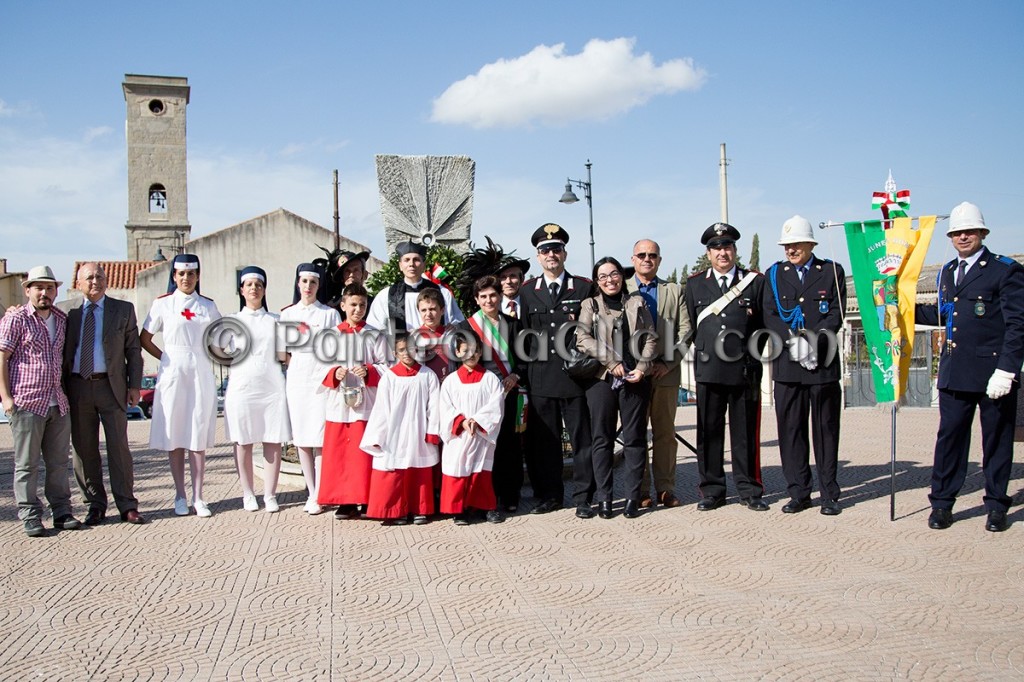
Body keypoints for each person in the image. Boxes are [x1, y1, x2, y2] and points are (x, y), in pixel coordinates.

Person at [915, 202, 1024, 532]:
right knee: (949, 441)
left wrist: (1007, 370)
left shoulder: (1004, 270)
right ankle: (943, 504)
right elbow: (945, 315)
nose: (963, 237)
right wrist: (900, 310)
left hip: (993, 374)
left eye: (969, 231)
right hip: (955, 371)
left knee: (996, 441)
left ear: (982, 233)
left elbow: (1017, 324)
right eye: (957, 233)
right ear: (950, 238)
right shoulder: (948, 271)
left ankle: (995, 505)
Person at [762, 216, 847, 515]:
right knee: (791, 430)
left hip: (821, 364)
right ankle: (799, 492)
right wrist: (790, 341)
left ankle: (829, 493)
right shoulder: (773, 274)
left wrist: (812, 342)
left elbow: (835, 315)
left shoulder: (831, 271)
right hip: (787, 366)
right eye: (786, 245)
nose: (790, 250)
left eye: (796, 244)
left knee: (825, 430)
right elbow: (770, 314)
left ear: (811, 244)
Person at [685, 224, 768, 512]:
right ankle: (712, 490)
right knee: (709, 432)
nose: (723, 252)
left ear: (735, 250)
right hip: (709, 370)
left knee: (745, 432)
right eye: (717, 247)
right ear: (708, 253)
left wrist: (751, 356)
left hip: (744, 370)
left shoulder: (754, 282)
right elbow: (693, 327)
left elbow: (763, 327)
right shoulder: (695, 284)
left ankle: (749, 489)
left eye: (728, 246)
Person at [0, 266, 83, 537]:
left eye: (49, 288)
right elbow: (2, 358)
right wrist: (6, 397)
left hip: (57, 402)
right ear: (28, 290)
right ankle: (30, 515)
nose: (44, 293)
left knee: (59, 463)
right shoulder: (16, 319)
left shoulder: (60, 319)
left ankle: (61, 511)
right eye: (38, 287)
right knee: (27, 464)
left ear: (56, 291)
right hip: (27, 401)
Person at [520, 223, 595, 517]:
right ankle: (548, 495)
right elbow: (524, 336)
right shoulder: (528, 292)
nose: (551, 254)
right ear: (538, 256)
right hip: (541, 378)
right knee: (544, 441)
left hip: (576, 378)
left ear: (564, 252)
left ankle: (584, 496)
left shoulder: (583, 286)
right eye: (545, 250)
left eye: (556, 249)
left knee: (581, 440)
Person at [63, 262, 145, 525]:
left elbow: (133, 351)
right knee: (84, 450)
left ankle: (127, 505)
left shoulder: (123, 310)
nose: (94, 281)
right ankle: (94, 504)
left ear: (107, 281)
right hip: (77, 387)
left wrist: (134, 386)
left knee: (118, 448)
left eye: (99, 276)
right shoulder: (69, 314)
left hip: (112, 387)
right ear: (78, 283)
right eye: (88, 277)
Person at [141, 253, 222, 518]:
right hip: (173, 370)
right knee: (175, 434)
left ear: (198, 276)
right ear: (174, 276)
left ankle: (199, 496)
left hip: (199, 369)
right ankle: (180, 494)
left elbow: (219, 339)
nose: (186, 279)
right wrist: (164, 356)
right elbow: (146, 337)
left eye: (191, 274)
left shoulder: (208, 306)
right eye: (181, 274)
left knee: (197, 433)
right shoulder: (163, 304)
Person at [576, 257, 656, 519]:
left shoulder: (636, 301)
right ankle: (605, 499)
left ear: (622, 276)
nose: (609, 280)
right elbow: (582, 338)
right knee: (602, 439)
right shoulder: (590, 305)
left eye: (614, 274)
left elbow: (651, 337)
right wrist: (611, 362)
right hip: (602, 379)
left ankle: (633, 498)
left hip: (635, 378)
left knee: (634, 439)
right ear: (597, 281)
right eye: (603, 276)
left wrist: (642, 368)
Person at [457, 275, 528, 520]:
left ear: (500, 296)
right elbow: (461, 362)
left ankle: (509, 495)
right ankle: (484, 497)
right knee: (485, 446)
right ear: (477, 299)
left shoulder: (514, 325)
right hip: (481, 396)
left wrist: (516, 376)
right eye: (483, 296)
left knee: (509, 444)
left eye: (493, 295)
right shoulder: (466, 327)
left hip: (508, 391)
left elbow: (527, 358)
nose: (489, 300)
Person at [627, 239, 690, 509]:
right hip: (633, 375)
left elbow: (685, 331)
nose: (647, 259)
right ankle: (640, 490)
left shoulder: (674, 291)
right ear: (633, 259)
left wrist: (669, 363)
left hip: (665, 374)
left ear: (660, 260)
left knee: (665, 433)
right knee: (636, 434)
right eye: (641, 255)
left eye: (652, 255)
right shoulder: (622, 288)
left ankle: (665, 488)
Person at [223, 266, 291, 514]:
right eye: (249, 285)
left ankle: (270, 495)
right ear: (241, 290)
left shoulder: (276, 320)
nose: (254, 289)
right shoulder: (231, 322)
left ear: (264, 290)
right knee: (243, 441)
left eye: (258, 285)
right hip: (242, 388)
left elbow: (285, 356)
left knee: (272, 440)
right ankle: (248, 493)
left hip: (272, 388)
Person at [318, 283, 388, 519]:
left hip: (366, 401)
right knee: (342, 453)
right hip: (339, 403)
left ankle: (368, 498)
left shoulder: (375, 334)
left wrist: (369, 371)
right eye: (354, 305)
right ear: (343, 305)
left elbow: (387, 366)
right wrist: (333, 373)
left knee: (364, 452)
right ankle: (345, 500)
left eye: (362, 305)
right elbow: (318, 366)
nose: (358, 309)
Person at [360, 333, 441, 525]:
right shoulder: (389, 377)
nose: (407, 353)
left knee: (418, 471)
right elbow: (381, 408)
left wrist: (432, 431)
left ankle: (419, 508)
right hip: (394, 433)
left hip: (419, 431)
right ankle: (397, 510)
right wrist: (378, 436)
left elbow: (435, 406)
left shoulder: (427, 375)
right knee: (396, 470)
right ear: (395, 353)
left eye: (410, 348)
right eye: (402, 350)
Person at [280, 263, 341, 515]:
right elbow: (283, 352)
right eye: (304, 282)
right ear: (298, 284)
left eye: (313, 282)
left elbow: (337, 349)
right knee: (302, 438)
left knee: (321, 439)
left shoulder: (329, 314)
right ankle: (311, 489)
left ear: (319, 285)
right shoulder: (287, 314)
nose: (308, 287)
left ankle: (321, 492)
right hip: (297, 380)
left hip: (321, 379)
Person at [439, 331, 505, 525]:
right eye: (465, 350)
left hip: (480, 434)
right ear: (457, 352)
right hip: (459, 435)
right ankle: (458, 510)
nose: (471, 355)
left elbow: (496, 405)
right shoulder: (451, 381)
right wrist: (461, 421)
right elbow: (445, 407)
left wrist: (477, 421)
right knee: (458, 469)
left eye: (475, 350)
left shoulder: (490, 379)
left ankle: (485, 507)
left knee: (481, 472)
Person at [366, 241, 464, 332]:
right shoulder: (386, 295)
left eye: (416, 260)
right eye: (407, 260)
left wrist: (453, 327)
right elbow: (374, 327)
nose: (411, 264)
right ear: (400, 265)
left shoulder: (442, 292)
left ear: (424, 264)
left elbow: (457, 323)